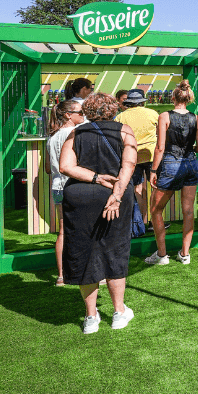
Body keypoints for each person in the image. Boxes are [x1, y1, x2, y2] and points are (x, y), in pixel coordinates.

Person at [58, 92, 137, 333]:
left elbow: (65, 167)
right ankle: (118, 312)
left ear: (88, 111)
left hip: (79, 196)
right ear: (114, 108)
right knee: (115, 249)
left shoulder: (76, 132)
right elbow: (129, 164)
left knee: (83, 252)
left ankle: (91, 317)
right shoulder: (125, 130)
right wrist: (116, 195)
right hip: (114, 195)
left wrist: (94, 177)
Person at [146, 80, 198, 266]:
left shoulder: (164, 116)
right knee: (188, 211)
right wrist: (188, 148)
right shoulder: (196, 118)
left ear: (173, 98)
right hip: (191, 163)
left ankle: (162, 255)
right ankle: (185, 254)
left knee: (156, 210)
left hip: (171, 163)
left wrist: (153, 170)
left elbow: (160, 147)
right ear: (188, 99)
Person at [46, 100, 87, 286]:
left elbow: (48, 168)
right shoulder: (74, 134)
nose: (83, 115)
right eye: (80, 112)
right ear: (69, 115)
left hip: (57, 185)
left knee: (63, 231)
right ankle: (87, 273)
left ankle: (62, 275)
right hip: (75, 185)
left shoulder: (52, 137)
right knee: (84, 229)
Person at [115, 88, 160, 225]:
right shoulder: (152, 113)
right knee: (155, 187)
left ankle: (140, 222)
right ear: (142, 101)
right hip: (152, 155)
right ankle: (155, 221)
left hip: (131, 156)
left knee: (137, 189)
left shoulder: (121, 116)